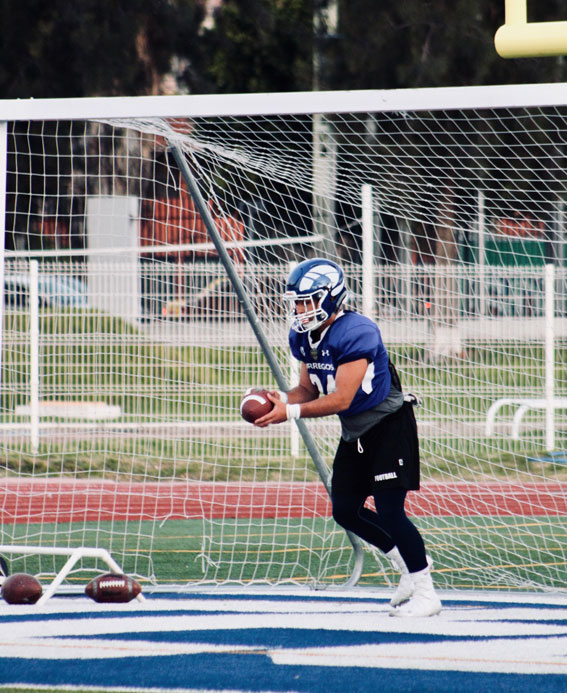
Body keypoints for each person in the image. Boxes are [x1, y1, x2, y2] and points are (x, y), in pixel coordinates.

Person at [254, 257, 441, 617]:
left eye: (307, 300)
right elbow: (307, 390)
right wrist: (281, 400)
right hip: (355, 430)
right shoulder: (305, 335)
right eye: (296, 301)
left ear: (330, 297)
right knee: (345, 510)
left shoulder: (357, 331)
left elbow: (341, 398)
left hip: (388, 425)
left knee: (390, 511)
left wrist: (290, 413)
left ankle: (427, 592)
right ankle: (408, 566)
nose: (299, 309)